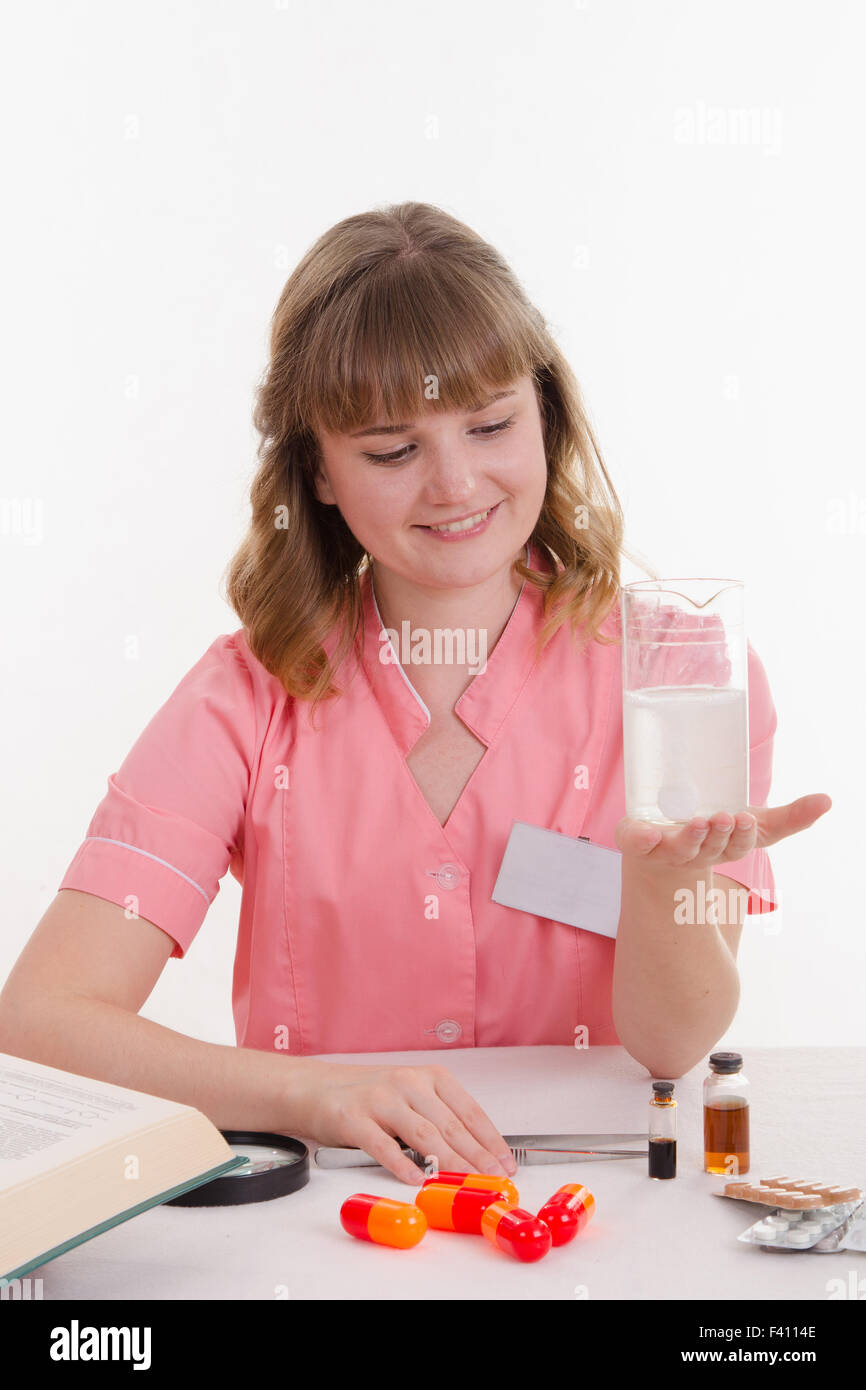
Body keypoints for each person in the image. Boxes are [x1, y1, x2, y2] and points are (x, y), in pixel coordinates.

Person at [0, 202, 831, 1185]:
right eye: (392, 452)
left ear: (546, 417)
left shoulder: (676, 676)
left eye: (490, 425)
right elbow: (40, 1023)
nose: (453, 483)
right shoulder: (245, 696)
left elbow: (671, 1045)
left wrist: (662, 890)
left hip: (598, 1204)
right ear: (315, 471)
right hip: (340, 1214)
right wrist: (313, 1093)